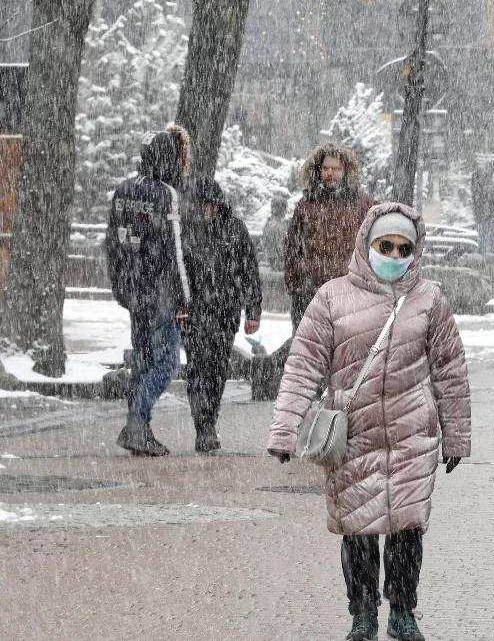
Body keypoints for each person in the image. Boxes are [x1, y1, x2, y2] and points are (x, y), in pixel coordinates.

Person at [268, 203, 471, 641]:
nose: (394, 255)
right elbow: (303, 365)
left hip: (411, 434)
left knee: (406, 528)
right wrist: (285, 429)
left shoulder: (430, 300)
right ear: (367, 244)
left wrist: (455, 436)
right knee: (359, 531)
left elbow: (450, 370)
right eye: (386, 245)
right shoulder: (331, 298)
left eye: (404, 248)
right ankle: (362, 614)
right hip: (354, 436)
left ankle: (402, 612)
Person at [104, 127, 193, 457]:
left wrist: (119, 285)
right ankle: (137, 422)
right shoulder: (165, 194)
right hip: (160, 293)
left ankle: (140, 430)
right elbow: (175, 252)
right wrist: (183, 298)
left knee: (142, 360)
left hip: (133, 290)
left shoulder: (123, 190)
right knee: (167, 361)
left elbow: (112, 242)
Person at [181, 177, 262, 453]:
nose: (207, 210)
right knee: (198, 368)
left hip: (225, 312)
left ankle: (209, 419)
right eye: (202, 205)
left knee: (216, 370)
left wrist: (253, 310)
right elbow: (176, 273)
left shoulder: (235, 230)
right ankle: (202, 425)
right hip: (194, 313)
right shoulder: (186, 231)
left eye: (211, 204)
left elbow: (249, 271)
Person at [284, 143, 374, 329]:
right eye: (325, 168)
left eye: (336, 168)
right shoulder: (306, 204)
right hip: (309, 294)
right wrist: (295, 286)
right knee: (308, 351)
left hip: (349, 295)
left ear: (346, 171)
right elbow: (292, 247)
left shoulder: (362, 204)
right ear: (318, 170)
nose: (330, 173)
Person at [470, 159, 494, 254]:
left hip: (486, 213)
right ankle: (485, 256)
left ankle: (485, 254)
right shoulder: (482, 178)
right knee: (486, 237)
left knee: (486, 236)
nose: (493, 174)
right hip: (486, 214)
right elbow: (487, 194)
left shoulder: (485, 178)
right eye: (493, 171)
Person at [259, 196, 289, 272]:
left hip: (274, 261)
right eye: (284, 208)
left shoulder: (269, 224)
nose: (285, 211)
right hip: (279, 262)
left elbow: (265, 243)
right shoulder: (278, 225)